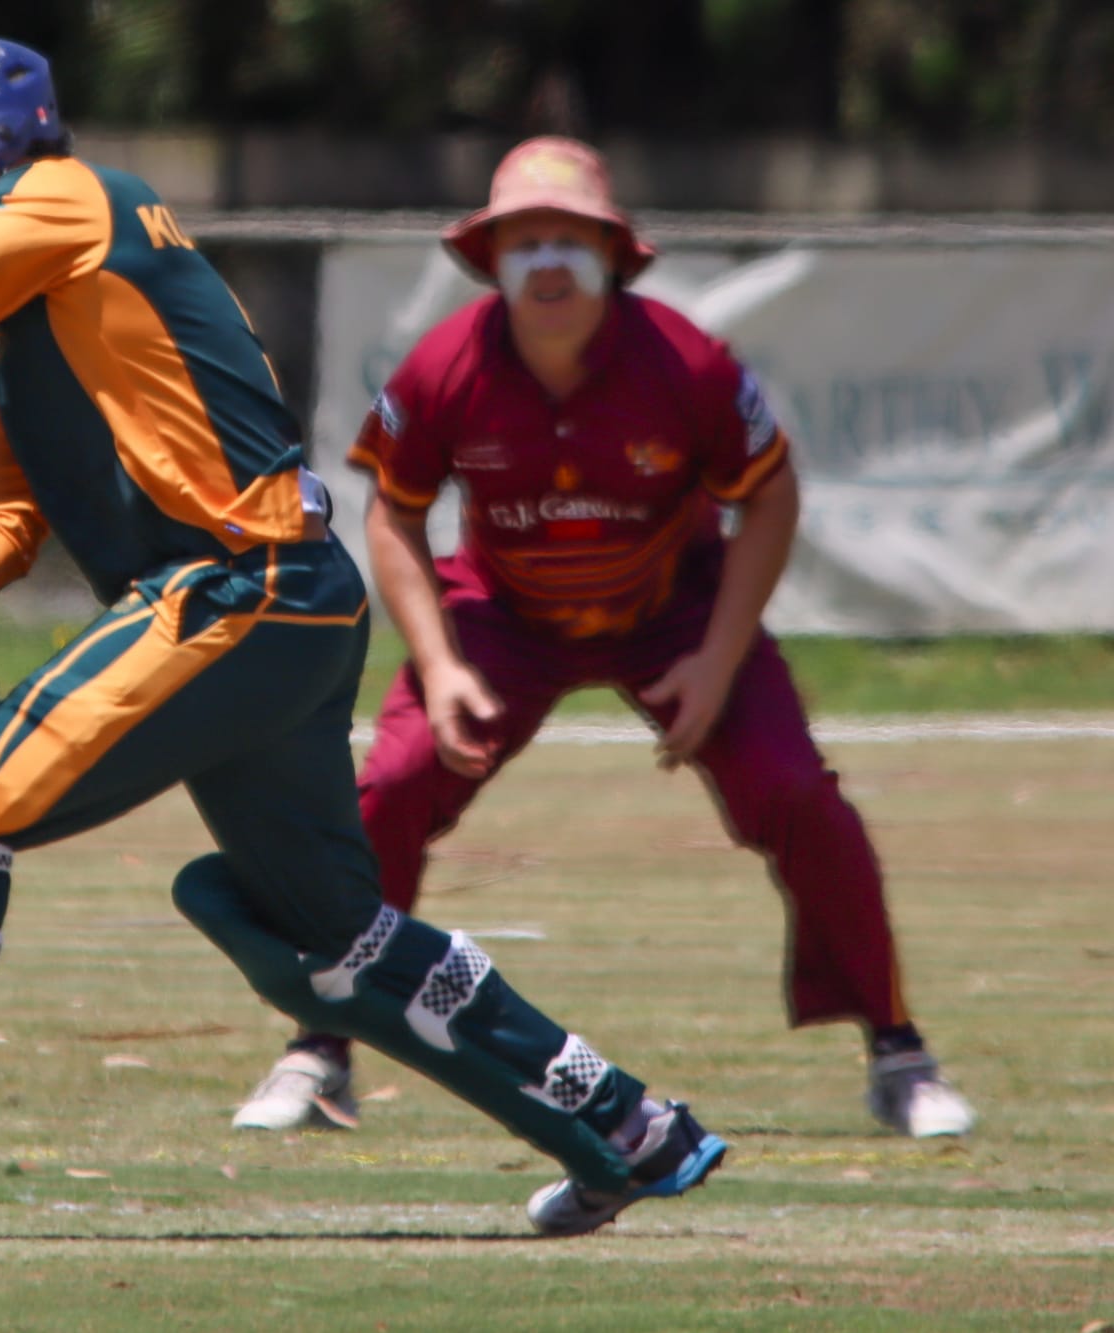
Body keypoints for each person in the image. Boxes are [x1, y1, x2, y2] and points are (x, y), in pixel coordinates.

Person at [0, 37, 726, 1241]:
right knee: (329, 944)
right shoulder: (21, 317)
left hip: (233, 587)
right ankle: (625, 1128)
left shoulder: (68, 200)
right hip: (285, 601)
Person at [231, 136, 975, 1143]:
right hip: (502, 613)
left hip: (673, 605)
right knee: (391, 783)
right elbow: (390, 516)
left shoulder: (687, 361)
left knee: (794, 790)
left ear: (616, 255)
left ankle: (898, 1054)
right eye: (521, 239)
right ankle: (317, 1049)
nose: (545, 260)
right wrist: (441, 663)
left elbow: (769, 499)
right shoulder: (444, 364)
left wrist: (716, 661)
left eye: (569, 239)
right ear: (488, 260)